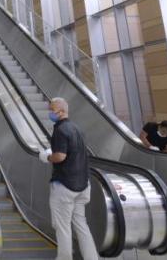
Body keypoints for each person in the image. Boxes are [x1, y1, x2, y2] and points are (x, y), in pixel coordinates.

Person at [39, 98, 98, 260]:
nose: (50, 113)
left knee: (63, 227)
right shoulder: (77, 129)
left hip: (65, 186)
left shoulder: (60, 130)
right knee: (81, 225)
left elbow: (60, 156)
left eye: (52, 110)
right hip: (83, 185)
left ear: (62, 111)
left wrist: (47, 157)